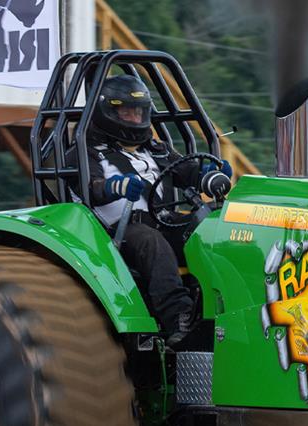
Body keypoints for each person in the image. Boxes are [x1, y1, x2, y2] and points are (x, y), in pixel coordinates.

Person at [68, 73, 231, 343]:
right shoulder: (86, 151)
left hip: (163, 220)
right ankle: (178, 318)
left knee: (210, 224)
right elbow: (89, 187)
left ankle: (224, 306)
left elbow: (187, 169)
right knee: (150, 241)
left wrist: (210, 176)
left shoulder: (156, 148)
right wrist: (116, 187)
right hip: (117, 234)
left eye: (139, 112)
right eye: (127, 112)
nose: (135, 118)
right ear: (108, 113)